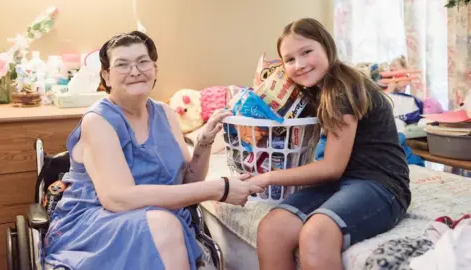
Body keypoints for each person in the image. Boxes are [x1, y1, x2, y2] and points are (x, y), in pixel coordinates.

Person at [44, 31, 263, 270]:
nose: (135, 71)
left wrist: (204, 142)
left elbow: (188, 181)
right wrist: (219, 188)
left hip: (160, 219)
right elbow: (117, 198)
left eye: (142, 61)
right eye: (122, 64)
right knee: (165, 225)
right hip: (95, 221)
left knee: (166, 224)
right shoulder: (99, 120)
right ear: (106, 76)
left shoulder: (166, 113)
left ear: (155, 69)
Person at [247, 18, 410, 270]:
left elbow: (331, 167)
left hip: (380, 183)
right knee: (272, 229)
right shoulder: (312, 90)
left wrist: (269, 177)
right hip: (338, 183)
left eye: (307, 52)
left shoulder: (343, 87)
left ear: (327, 47)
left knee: (317, 233)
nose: (299, 64)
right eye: (289, 60)